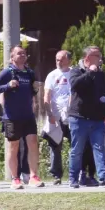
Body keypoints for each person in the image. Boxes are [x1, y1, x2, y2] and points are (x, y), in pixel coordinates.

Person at [0, 46, 44, 190]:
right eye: (19, 53)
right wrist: (7, 85)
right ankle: (15, 178)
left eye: (24, 53)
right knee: (14, 147)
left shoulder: (29, 73)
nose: (22, 55)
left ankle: (33, 176)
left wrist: (36, 88)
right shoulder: (8, 72)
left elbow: (31, 91)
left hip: (28, 115)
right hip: (12, 116)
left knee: (33, 142)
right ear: (12, 57)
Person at [67, 46, 105, 188]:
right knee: (77, 150)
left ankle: (104, 177)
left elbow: (103, 94)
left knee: (99, 148)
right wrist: (89, 72)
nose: (100, 58)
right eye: (97, 55)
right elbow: (75, 86)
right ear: (87, 58)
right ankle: (73, 178)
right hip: (79, 117)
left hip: (96, 118)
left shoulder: (101, 74)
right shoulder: (75, 71)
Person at [42, 51, 74, 184]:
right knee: (55, 144)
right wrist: (49, 114)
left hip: (72, 114)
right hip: (56, 115)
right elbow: (47, 94)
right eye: (57, 60)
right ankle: (56, 175)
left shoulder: (74, 73)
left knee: (76, 144)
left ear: (69, 60)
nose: (58, 62)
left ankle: (75, 173)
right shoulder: (52, 75)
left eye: (61, 60)